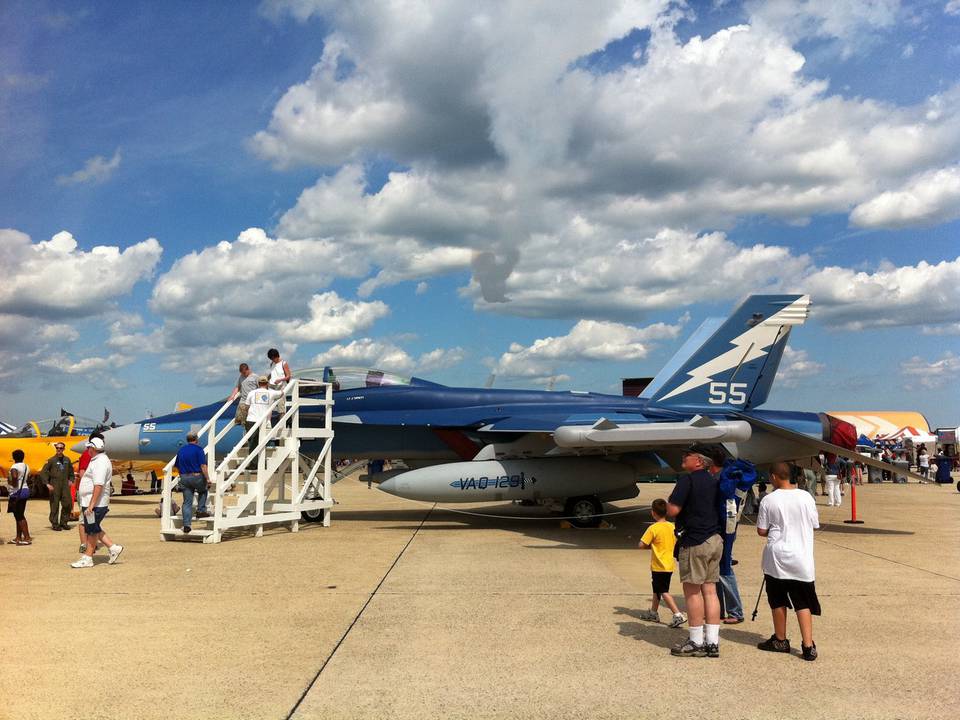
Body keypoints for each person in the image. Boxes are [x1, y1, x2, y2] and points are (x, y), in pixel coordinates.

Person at [756, 462, 820, 661]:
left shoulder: (769, 499)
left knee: (778, 599)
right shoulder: (806, 496)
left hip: (777, 557)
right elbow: (814, 523)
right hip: (801, 557)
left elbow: (761, 530)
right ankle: (808, 645)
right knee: (803, 602)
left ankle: (780, 639)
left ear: (774, 477)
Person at [666, 446, 723, 658]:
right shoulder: (713, 480)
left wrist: (666, 504)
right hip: (715, 539)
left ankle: (696, 641)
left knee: (692, 591)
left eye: (687, 455)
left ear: (699, 461)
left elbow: (673, 510)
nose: (683, 456)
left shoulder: (687, 480)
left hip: (695, 540)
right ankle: (712, 642)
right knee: (710, 591)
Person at [71, 437, 123, 567]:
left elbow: (98, 485)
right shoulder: (98, 460)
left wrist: (91, 505)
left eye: (88, 447)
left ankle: (88, 558)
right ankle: (113, 548)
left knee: (91, 530)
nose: (87, 450)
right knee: (94, 527)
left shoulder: (100, 462)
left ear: (93, 448)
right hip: (91, 501)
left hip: (95, 503)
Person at [637, 498, 687, 628]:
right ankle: (653, 612)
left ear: (653, 513)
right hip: (669, 564)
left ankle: (677, 614)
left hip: (658, 565)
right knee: (657, 589)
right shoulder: (672, 526)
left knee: (663, 590)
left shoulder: (653, 528)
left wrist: (652, 546)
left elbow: (641, 545)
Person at [173, 432, 209, 534]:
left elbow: (177, 466)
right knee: (203, 490)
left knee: (187, 502)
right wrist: (208, 478)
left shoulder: (181, 450)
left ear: (187, 439)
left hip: (184, 477)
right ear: (196, 439)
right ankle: (201, 510)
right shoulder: (199, 449)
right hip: (196, 476)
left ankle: (186, 525)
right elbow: (203, 466)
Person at [38, 441, 74, 530]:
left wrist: (71, 480)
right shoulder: (51, 460)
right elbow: (44, 472)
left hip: (65, 484)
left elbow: (71, 472)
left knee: (67, 503)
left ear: (63, 449)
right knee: (55, 505)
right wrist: (47, 484)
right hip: (54, 484)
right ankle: (55, 524)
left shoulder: (67, 460)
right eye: (57, 448)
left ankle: (64, 522)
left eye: (61, 448)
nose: (59, 450)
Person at [245, 376, 284, 454]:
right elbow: (282, 393)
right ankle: (259, 463)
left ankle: (253, 464)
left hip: (251, 420)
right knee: (263, 443)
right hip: (263, 422)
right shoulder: (271, 393)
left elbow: (246, 407)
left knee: (252, 444)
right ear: (267, 384)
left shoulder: (251, 393)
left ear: (258, 384)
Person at [6, 449, 32, 545]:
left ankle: (27, 537)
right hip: (25, 490)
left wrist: (11, 483)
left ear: (13, 457)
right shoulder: (26, 466)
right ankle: (18, 537)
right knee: (18, 515)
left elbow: (15, 477)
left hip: (17, 492)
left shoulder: (14, 466)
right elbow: (27, 478)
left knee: (19, 516)